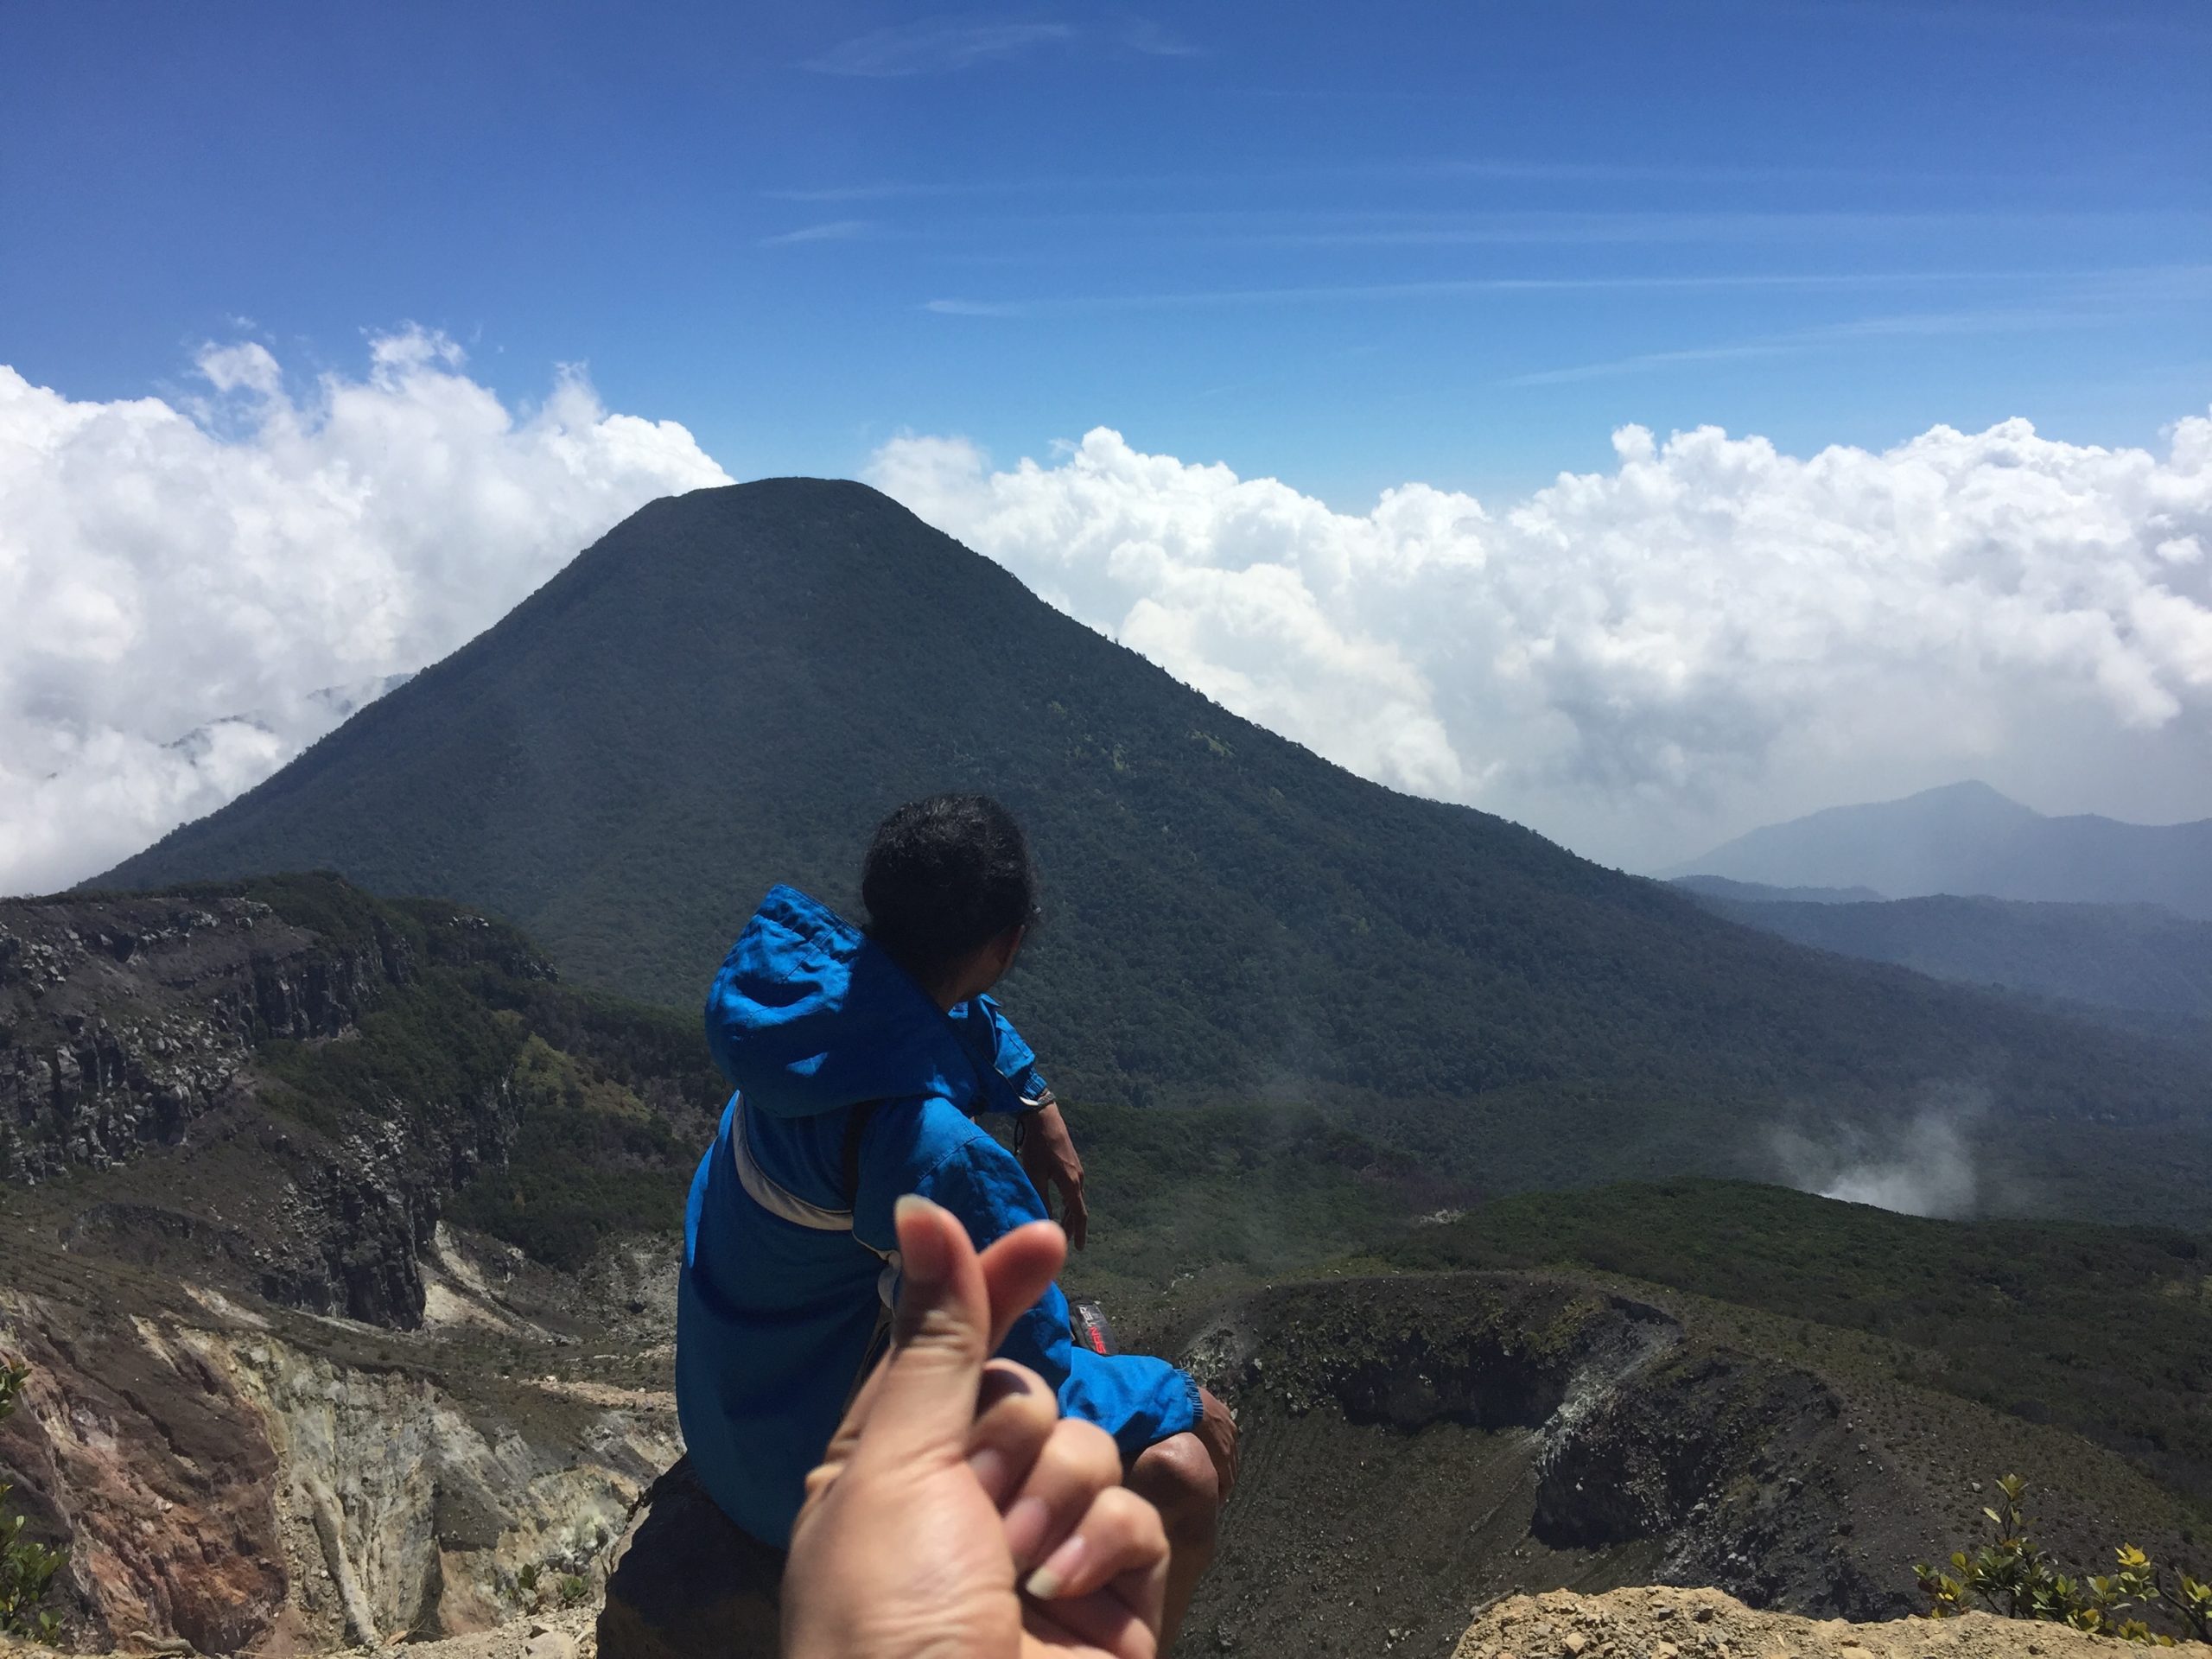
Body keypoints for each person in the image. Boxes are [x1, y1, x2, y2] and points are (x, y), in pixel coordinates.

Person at [676, 794, 1237, 1648]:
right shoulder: (935, 1153)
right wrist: (1184, 1394)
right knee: (1182, 1466)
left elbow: (928, 1016)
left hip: (728, 1418)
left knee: (1077, 1334)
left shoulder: (798, 1020)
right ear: (1007, 946)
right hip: (791, 1487)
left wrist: (1030, 1093)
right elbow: (1038, 1379)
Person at [783, 1195, 1169, 1658]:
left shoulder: (757, 1131)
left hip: (762, 1460)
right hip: (829, 1508)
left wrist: (1035, 1117)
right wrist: (1174, 1394)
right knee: (1184, 1469)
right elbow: (1033, 1371)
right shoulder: (953, 1159)